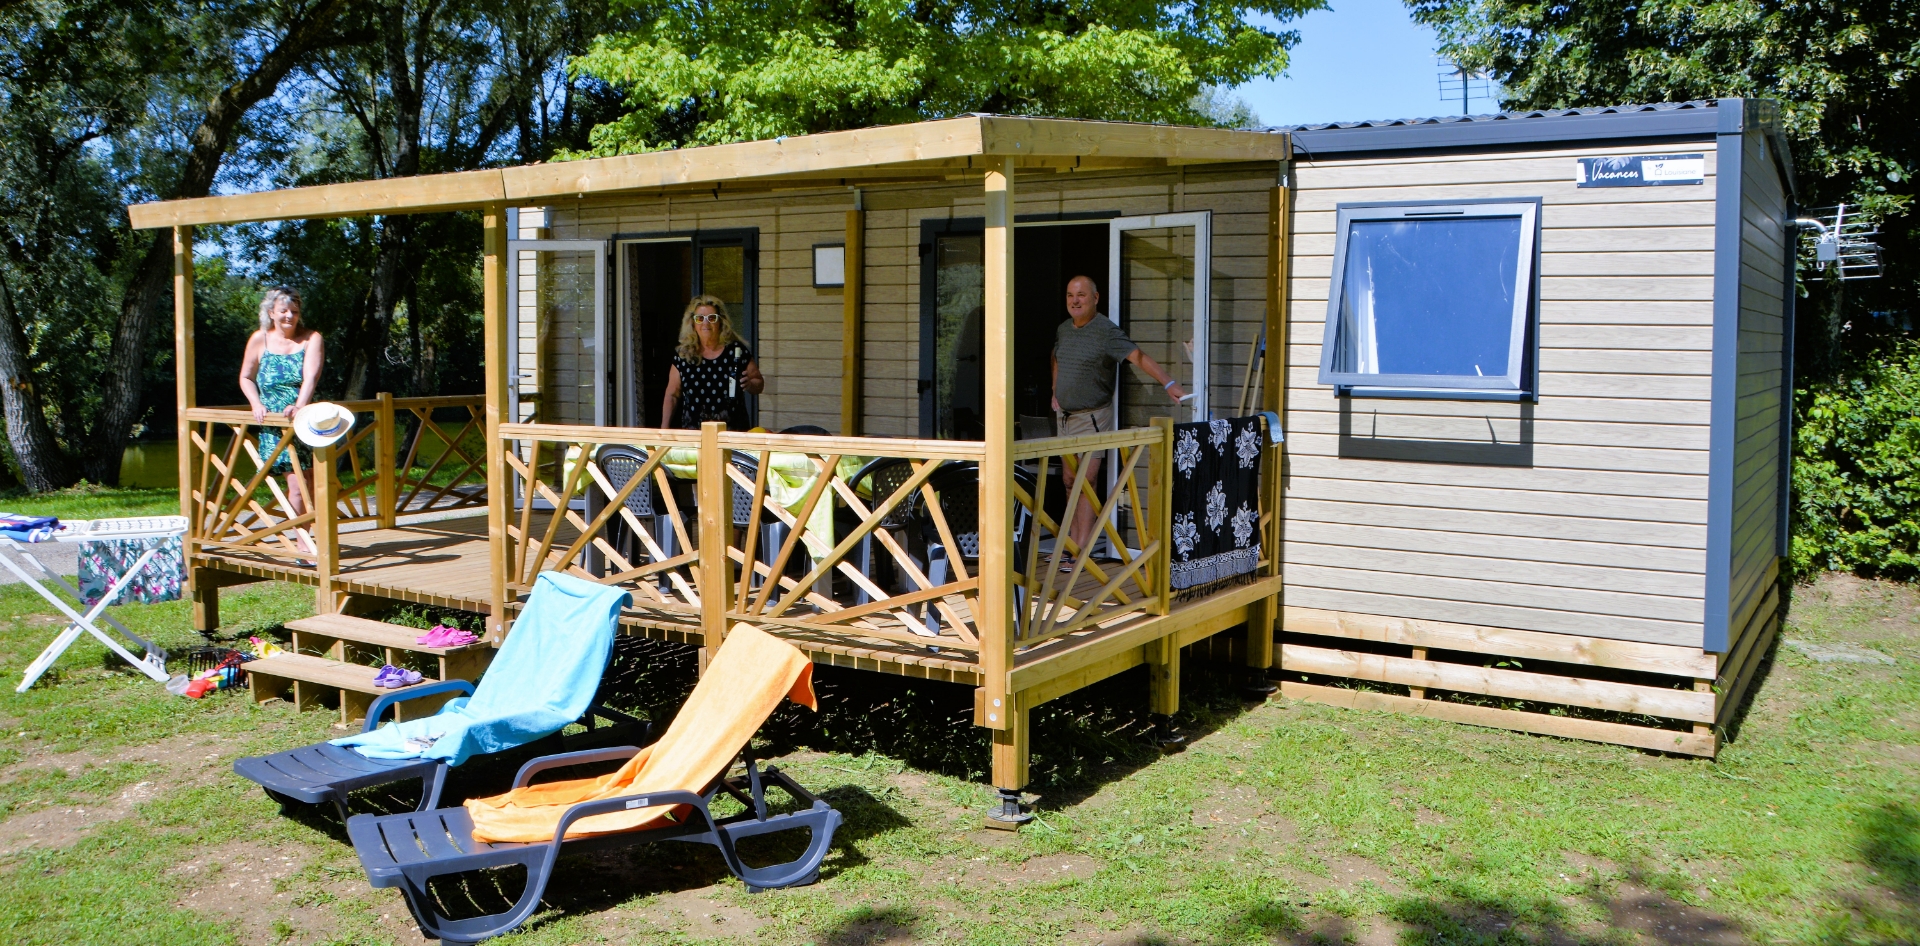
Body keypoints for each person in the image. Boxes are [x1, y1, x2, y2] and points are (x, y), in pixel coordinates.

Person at [1051, 274, 1185, 561]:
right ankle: (1072, 543)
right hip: (1064, 416)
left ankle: (1082, 551)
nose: (1075, 300)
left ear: (1095, 298)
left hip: (1092, 417)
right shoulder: (1064, 329)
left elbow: (1137, 356)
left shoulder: (1106, 332)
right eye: (1070, 295)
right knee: (1069, 480)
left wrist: (1167, 382)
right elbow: (1057, 358)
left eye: (1081, 295)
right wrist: (1055, 390)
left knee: (1086, 481)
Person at [239, 286, 325, 535]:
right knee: (297, 485)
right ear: (271, 312)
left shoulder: (312, 338)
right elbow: (246, 377)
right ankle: (303, 543)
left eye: (294, 311)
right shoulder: (259, 339)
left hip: (305, 420)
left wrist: (300, 405)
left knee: (312, 482)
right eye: (283, 310)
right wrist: (256, 403)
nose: (289, 316)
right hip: (275, 424)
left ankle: (312, 537)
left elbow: (311, 377)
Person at [660, 295, 763, 430]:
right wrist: (664, 428)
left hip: (731, 433)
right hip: (695, 434)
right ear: (692, 323)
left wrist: (749, 384)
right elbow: (672, 394)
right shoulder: (684, 354)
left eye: (712, 318)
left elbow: (759, 383)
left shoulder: (736, 352)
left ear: (720, 322)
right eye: (700, 318)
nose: (706, 324)